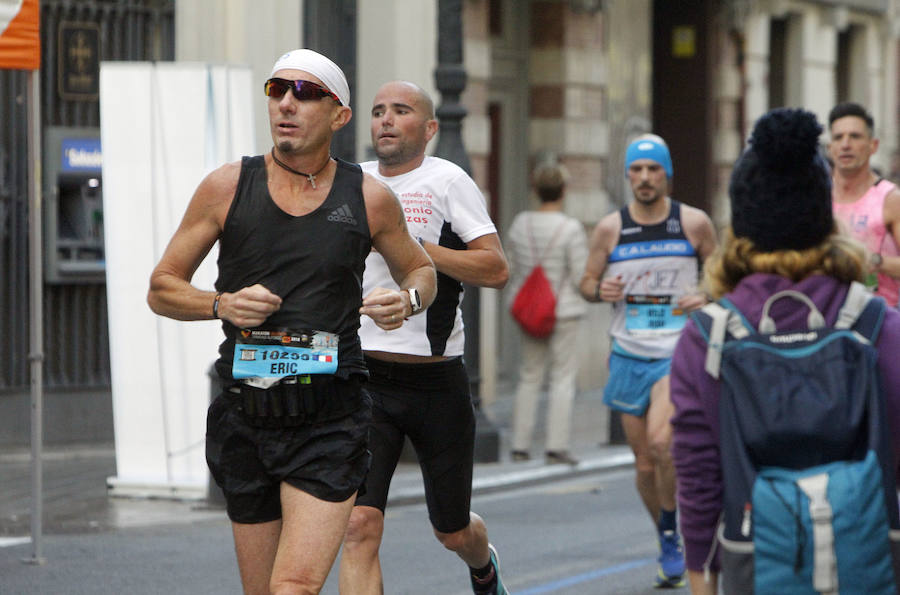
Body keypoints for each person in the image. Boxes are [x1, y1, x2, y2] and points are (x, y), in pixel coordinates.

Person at [147, 50, 436, 595]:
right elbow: (162, 287)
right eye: (277, 90)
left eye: (305, 94)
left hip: (329, 417)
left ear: (339, 115)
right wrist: (220, 304)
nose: (286, 104)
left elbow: (420, 269)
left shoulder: (370, 197)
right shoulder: (227, 186)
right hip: (247, 412)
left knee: (294, 587)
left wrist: (409, 302)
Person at [670, 107, 900, 595]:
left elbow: (698, 480)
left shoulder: (706, 337)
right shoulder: (881, 327)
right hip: (872, 564)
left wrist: (701, 580)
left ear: (744, 222)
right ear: (823, 217)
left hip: (758, 566)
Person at [338, 80, 510, 595]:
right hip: (365, 377)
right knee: (358, 524)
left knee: (452, 530)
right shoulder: (353, 182)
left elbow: (495, 268)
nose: (386, 120)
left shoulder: (447, 180)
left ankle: (483, 566)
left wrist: (413, 250)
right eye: (377, 111)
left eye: (401, 110)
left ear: (430, 128)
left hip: (436, 382)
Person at [579, 134, 717, 588]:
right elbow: (586, 281)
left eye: (652, 170)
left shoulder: (693, 224)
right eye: (636, 171)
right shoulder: (610, 229)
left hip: (676, 354)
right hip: (627, 355)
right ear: (627, 177)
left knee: (663, 446)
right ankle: (667, 536)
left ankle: (680, 532)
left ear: (667, 174)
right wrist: (601, 291)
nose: (643, 178)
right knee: (643, 464)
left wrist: (709, 294)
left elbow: (722, 276)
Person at [506, 161, 588, 465]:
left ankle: (520, 445)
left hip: (528, 309)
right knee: (562, 377)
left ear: (536, 190)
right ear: (563, 191)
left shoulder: (520, 223)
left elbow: (511, 268)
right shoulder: (571, 228)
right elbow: (580, 277)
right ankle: (556, 446)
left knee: (529, 375)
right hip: (563, 310)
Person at [829, 101, 900, 307]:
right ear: (830, 147)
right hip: (829, 319)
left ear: (873, 145)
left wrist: (876, 261)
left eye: (855, 136)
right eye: (838, 137)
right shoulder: (819, 198)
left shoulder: (890, 198)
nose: (846, 144)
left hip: (879, 319)